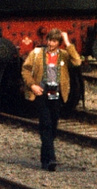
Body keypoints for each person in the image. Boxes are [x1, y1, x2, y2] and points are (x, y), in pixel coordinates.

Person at [21, 28, 82, 171]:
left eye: (54, 41)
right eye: (49, 40)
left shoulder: (64, 56)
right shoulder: (37, 54)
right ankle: (51, 159)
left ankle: (44, 158)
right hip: (41, 92)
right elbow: (26, 69)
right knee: (46, 124)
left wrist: (68, 42)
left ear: (59, 43)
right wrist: (32, 85)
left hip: (56, 94)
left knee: (53, 125)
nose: (50, 43)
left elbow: (77, 61)